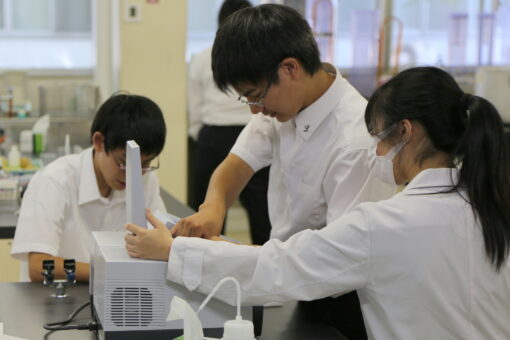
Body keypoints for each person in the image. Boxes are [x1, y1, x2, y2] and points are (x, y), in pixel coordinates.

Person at [126, 66, 510, 339]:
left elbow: (281, 269)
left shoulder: (385, 225)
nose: (374, 150)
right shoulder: (492, 206)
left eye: (379, 137)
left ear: (406, 132)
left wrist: (173, 251)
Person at [148, 4, 393, 339]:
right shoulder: (284, 105)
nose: (254, 109)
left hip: (344, 299)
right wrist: (211, 211)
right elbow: (235, 165)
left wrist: (200, 254)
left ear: (289, 68)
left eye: (256, 95)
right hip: (297, 277)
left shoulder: (353, 141)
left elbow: (329, 261)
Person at [11, 93, 167, 282]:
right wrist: (113, 272)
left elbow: (160, 238)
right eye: (124, 163)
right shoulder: (54, 181)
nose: (134, 175)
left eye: (145, 164)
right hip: (57, 300)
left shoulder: (145, 178)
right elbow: (38, 266)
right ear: (99, 141)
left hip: (115, 295)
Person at [188, 0, 272, 245]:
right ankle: (264, 258)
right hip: (255, 131)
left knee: (207, 219)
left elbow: (194, 111)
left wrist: (201, 137)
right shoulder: (260, 59)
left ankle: (204, 262)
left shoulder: (202, 58)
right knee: (261, 215)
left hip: (216, 136)